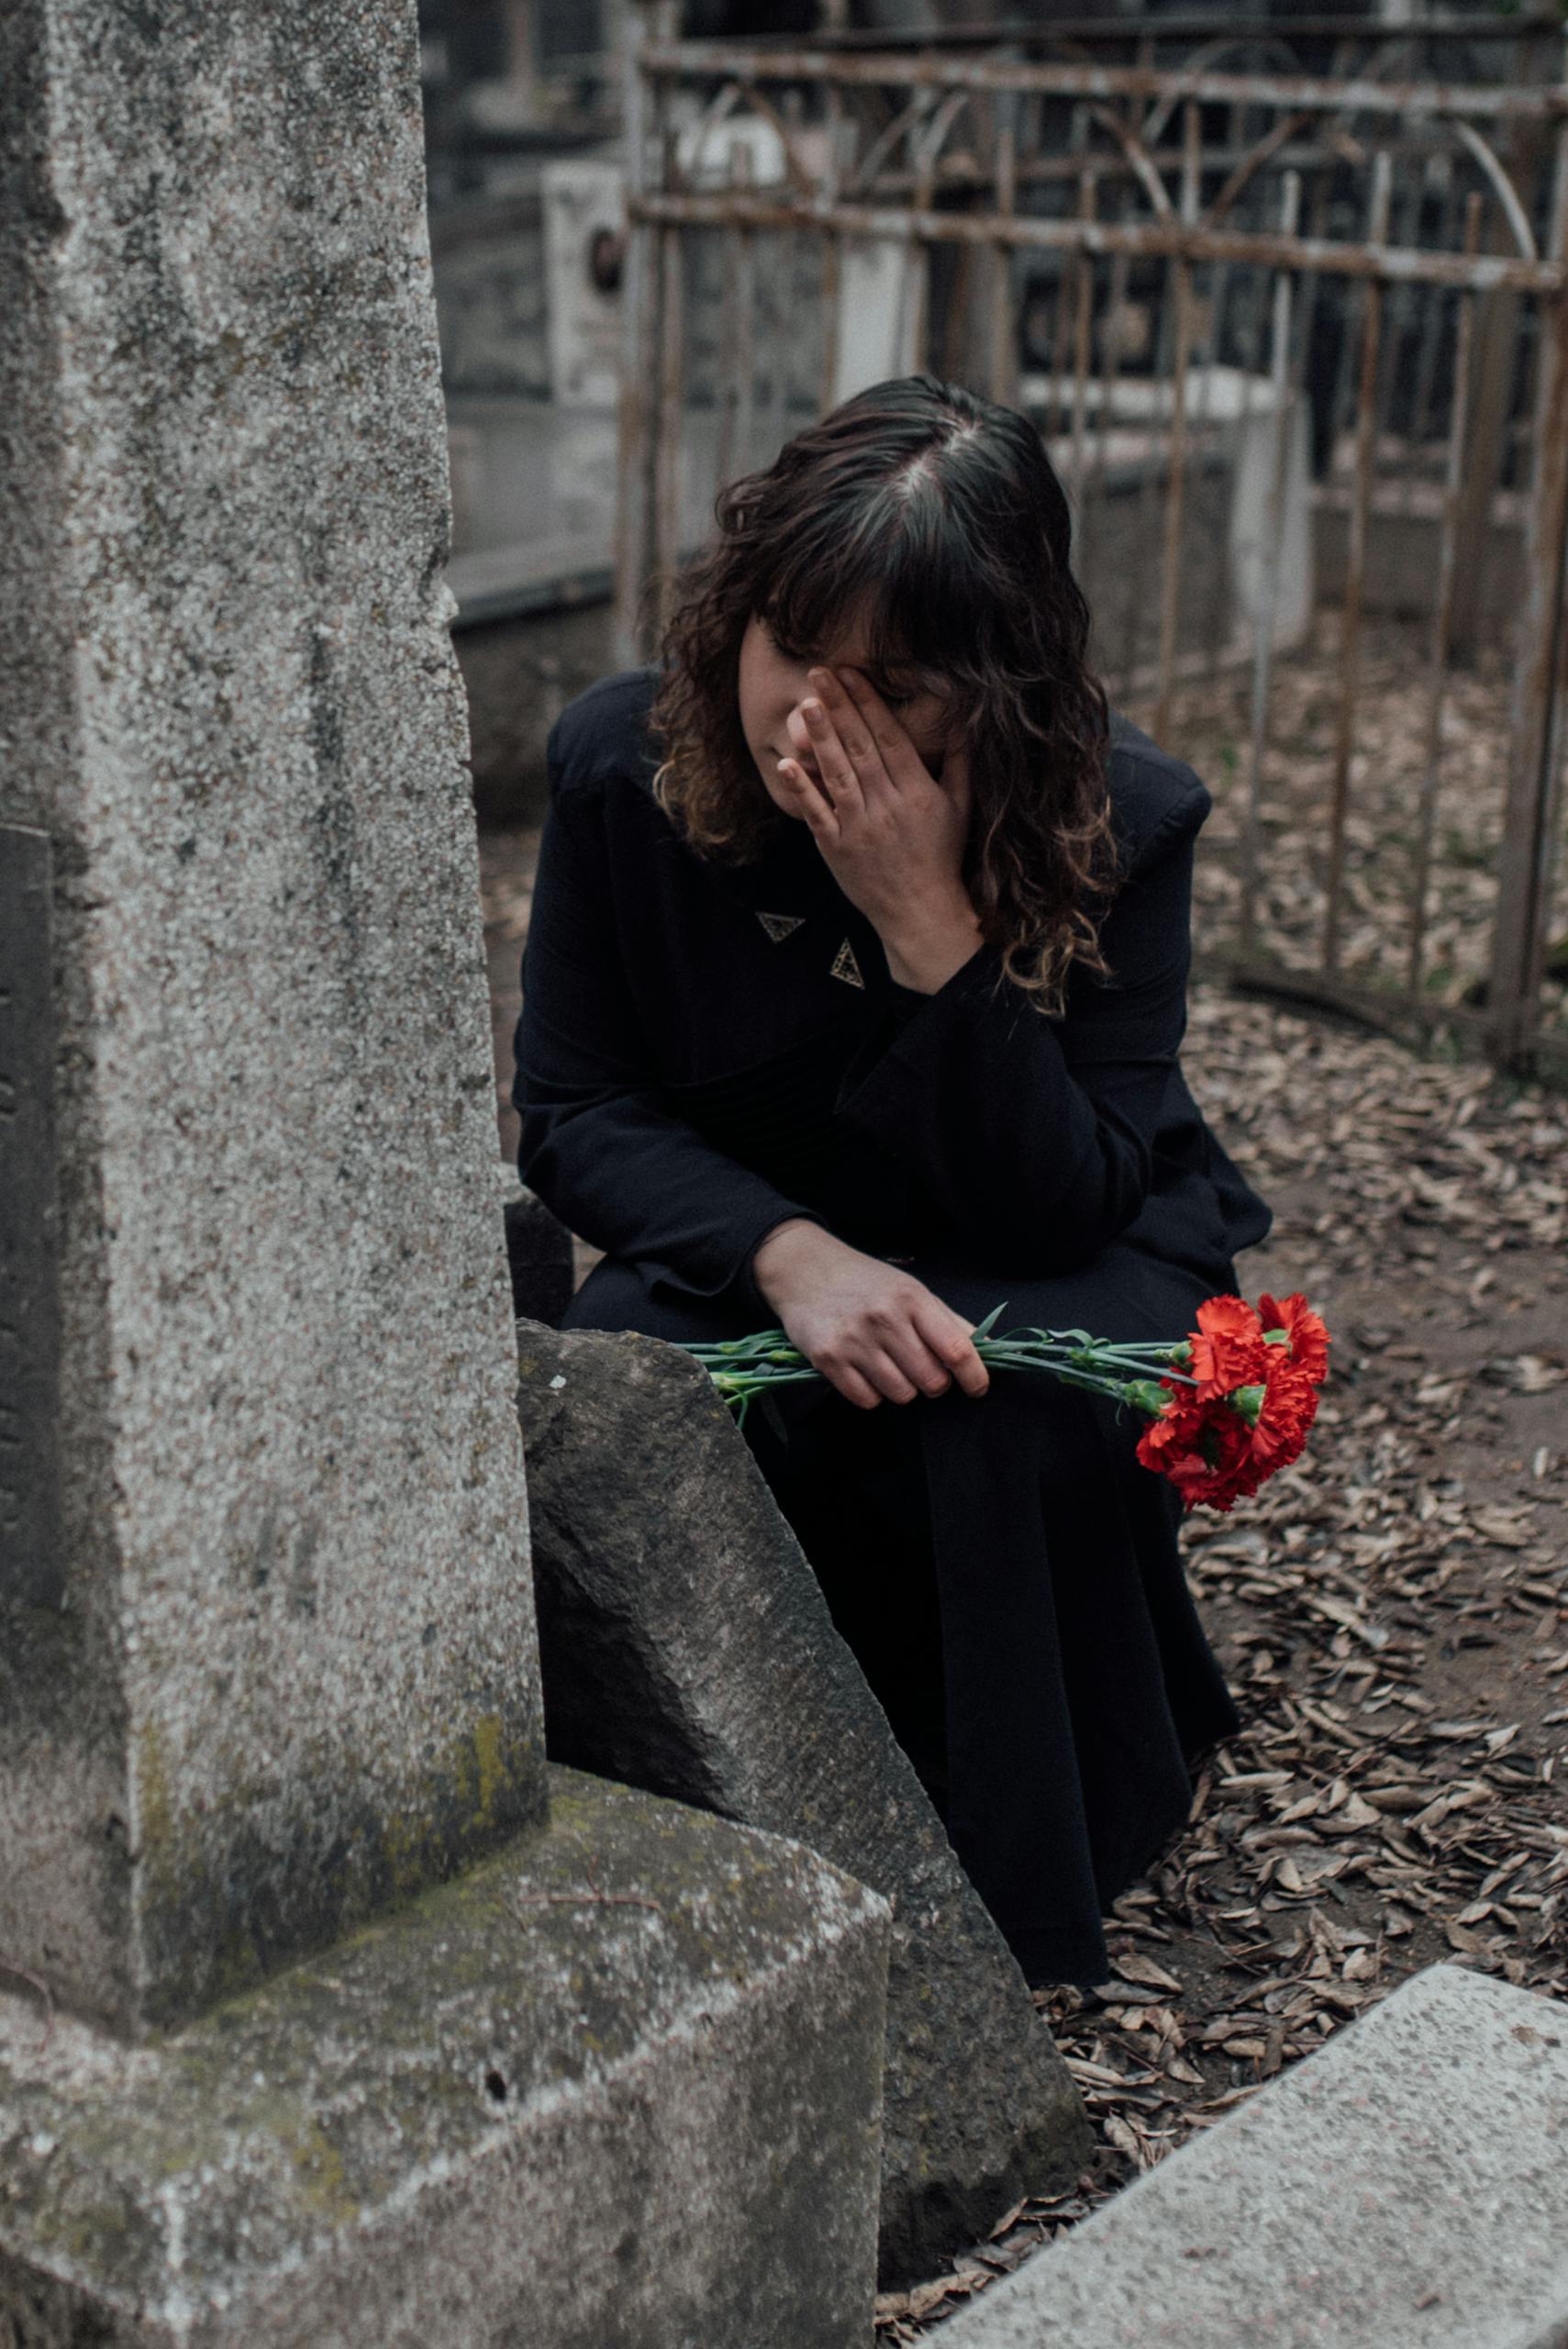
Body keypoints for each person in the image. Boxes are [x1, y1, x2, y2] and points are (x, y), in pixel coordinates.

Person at [513, 373, 1272, 1988]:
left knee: (991, 1406)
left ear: (999, 686)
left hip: (1048, 1227)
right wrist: (789, 1255)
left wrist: (932, 925)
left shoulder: (1121, 819)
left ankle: (1015, 1873)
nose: (813, 726)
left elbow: (1071, 1197)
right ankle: (707, 1795)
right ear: (735, 620)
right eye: (791, 654)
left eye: (894, 687)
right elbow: (576, 1109)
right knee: (649, 1390)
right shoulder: (618, 771)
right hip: (748, 1222)